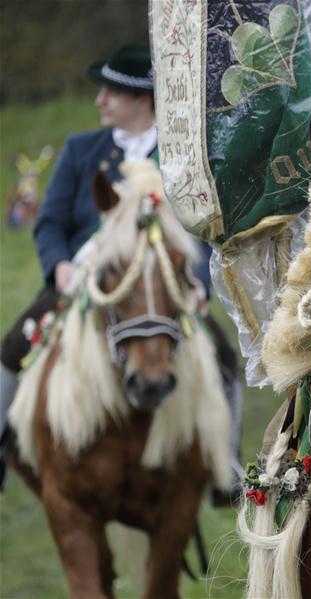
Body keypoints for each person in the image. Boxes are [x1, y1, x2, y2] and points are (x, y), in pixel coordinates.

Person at [0, 46, 242, 500]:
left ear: (142, 99)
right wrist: (60, 267)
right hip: (86, 281)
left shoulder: (181, 158)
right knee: (14, 344)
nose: (99, 101)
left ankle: (223, 465)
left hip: (165, 285)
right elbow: (50, 221)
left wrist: (195, 283)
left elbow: (203, 231)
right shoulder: (79, 150)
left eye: (111, 91)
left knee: (224, 361)